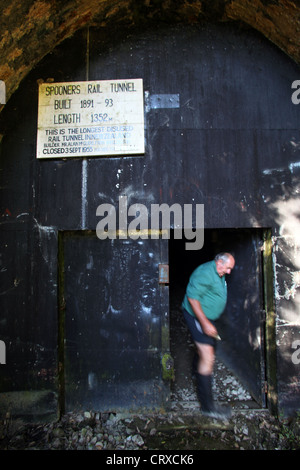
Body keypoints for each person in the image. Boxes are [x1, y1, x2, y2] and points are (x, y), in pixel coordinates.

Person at [181, 252, 235, 419]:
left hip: (206, 317)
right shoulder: (205, 272)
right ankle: (208, 407)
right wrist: (204, 322)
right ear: (219, 262)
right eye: (227, 268)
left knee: (205, 349)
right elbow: (192, 298)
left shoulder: (217, 271)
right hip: (196, 316)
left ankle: (196, 373)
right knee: (208, 357)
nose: (229, 272)